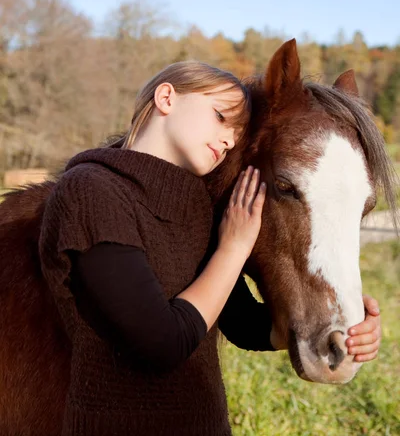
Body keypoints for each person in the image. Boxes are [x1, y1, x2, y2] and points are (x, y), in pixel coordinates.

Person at [39, 61, 381, 436]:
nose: (229, 140)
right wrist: (232, 249)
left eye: (237, 133)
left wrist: (332, 326)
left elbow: (242, 323)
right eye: (220, 116)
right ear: (166, 98)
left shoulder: (199, 208)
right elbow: (161, 343)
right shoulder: (90, 192)